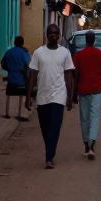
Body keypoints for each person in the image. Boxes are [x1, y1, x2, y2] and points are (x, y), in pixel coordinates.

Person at [25, 24, 74, 169]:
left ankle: (49, 158)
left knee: (55, 127)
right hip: (42, 95)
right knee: (45, 128)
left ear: (59, 35)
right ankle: (50, 151)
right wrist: (28, 96)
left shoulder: (65, 53)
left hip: (59, 95)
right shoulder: (38, 53)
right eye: (50, 34)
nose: (53, 36)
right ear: (46, 35)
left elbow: (69, 75)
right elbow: (32, 75)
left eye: (55, 34)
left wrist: (70, 96)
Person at [71, 31, 101, 160]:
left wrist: (73, 93)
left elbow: (76, 75)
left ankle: (86, 145)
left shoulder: (79, 55)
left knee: (84, 118)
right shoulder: (100, 54)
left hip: (83, 90)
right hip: (96, 89)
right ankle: (92, 144)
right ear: (94, 40)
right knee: (94, 116)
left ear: (85, 40)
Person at [1, 35, 31, 122]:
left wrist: (10, 69)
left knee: (9, 95)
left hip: (11, 78)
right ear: (22, 43)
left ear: (14, 43)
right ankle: (19, 114)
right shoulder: (24, 53)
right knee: (21, 96)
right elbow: (27, 65)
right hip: (21, 79)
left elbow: (3, 64)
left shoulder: (9, 52)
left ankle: (7, 113)